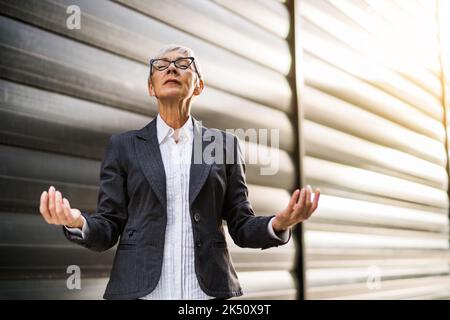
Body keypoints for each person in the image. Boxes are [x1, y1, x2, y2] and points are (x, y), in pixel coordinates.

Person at [38, 44, 320, 300]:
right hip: (140, 293)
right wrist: (77, 222)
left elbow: (240, 225)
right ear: (151, 87)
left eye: (184, 63)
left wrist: (279, 223)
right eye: (161, 65)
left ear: (198, 86)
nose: (171, 68)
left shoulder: (222, 145)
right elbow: (108, 226)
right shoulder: (123, 146)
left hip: (206, 295)